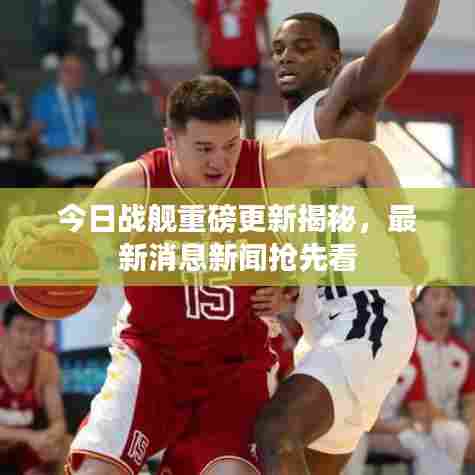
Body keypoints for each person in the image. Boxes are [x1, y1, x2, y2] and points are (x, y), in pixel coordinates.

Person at [2, 75, 419, 475]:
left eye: (230, 145)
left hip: (233, 370)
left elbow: (369, 160)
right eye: (204, 148)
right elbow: (71, 233)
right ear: (171, 140)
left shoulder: (267, 167)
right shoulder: (136, 184)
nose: (219, 161)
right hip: (152, 363)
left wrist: (411, 252)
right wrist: (30, 236)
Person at [247, 1, 439, 474]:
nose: (286, 57)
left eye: (302, 47)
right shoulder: (281, 148)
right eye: (279, 49)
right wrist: (286, 289)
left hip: (364, 315)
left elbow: (407, 36)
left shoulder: (331, 112)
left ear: (332, 62)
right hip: (325, 330)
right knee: (293, 457)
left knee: (275, 431)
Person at [0, 301, 68, 475]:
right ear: (5, 331)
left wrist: (50, 438)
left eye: (34, 331)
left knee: (61, 447)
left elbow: (58, 421)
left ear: (43, 334)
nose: (27, 339)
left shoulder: (47, 363)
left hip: (27, 451)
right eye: (21, 330)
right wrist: (29, 437)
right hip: (22, 440)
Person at [413, 282, 475, 467]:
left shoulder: (462, 351)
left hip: (454, 425)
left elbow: (470, 399)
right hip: (416, 423)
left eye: (449, 297)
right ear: (419, 307)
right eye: (436, 296)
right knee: (451, 434)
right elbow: (413, 402)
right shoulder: (407, 345)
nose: (444, 302)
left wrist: (472, 428)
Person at [193, 0, 272, 139]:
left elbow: (263, 18)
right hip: (219, 61)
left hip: (248, 60)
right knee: (221, 108)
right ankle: (224, 145)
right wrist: (202, 55)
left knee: (248, 106)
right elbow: (200, 23)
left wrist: (268, 46)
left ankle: (250, 145)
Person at [30, 53, 105, 181]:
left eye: (79, 72)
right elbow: (33, 138)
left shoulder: (87, 98)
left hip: (82, 157)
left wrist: (97, 148)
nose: (75, 76)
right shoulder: (46, 98)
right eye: (69, 71)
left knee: (117, 167)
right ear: (60, 73)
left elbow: (96, 134)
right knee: (86, 171)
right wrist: (60, 152)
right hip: (53, 158)